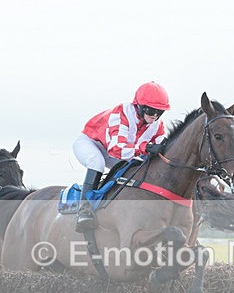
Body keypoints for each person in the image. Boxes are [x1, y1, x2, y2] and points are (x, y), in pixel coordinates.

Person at [72, 81, 170, 231]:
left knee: (134, 167)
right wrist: (146, 147)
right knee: (96, 162)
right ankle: (84, 210)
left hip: (117, 150)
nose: (155, 115)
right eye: (151, 111)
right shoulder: (122, 113)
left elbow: (162, 152)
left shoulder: (157, 125)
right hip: (91, 143)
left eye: (160, 111)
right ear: (140, 106)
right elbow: (116, 149)